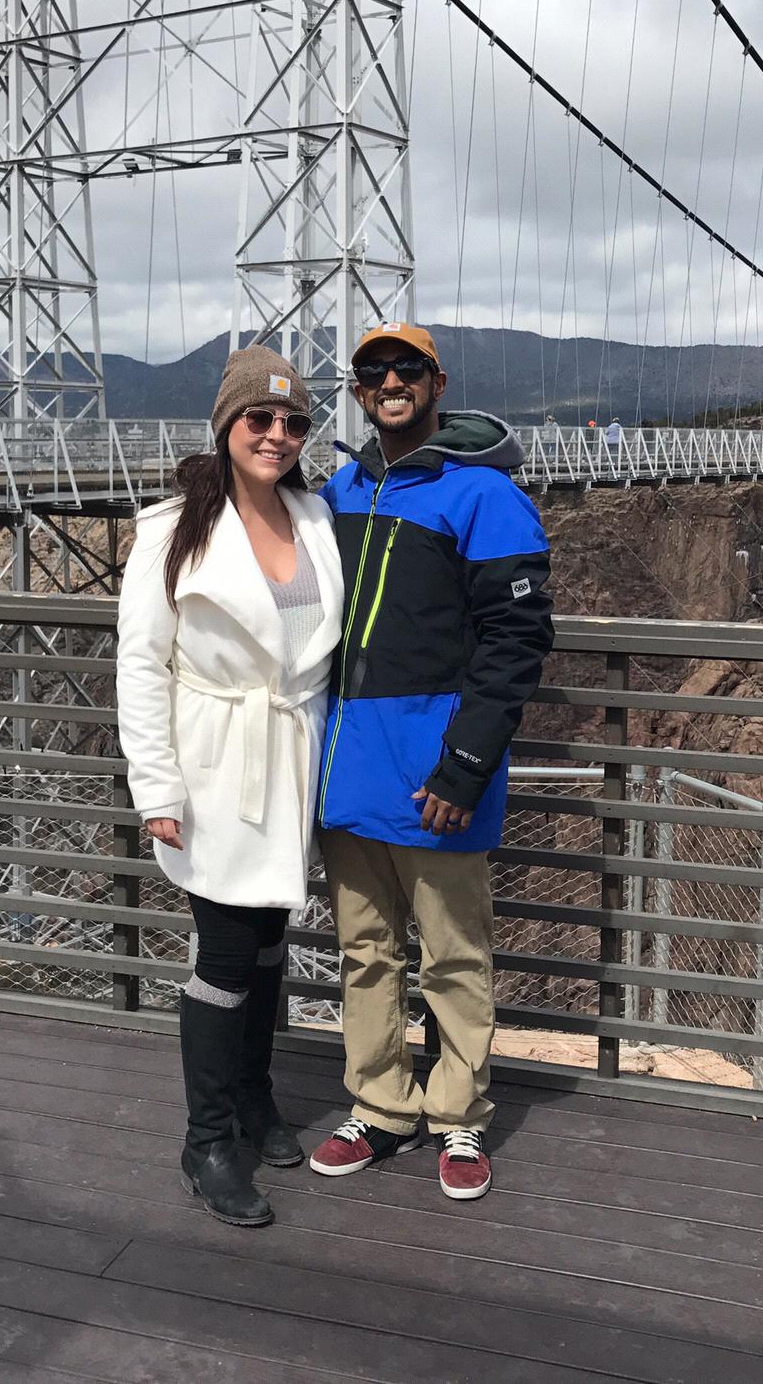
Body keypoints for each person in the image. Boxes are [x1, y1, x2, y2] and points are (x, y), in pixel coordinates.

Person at [306, 321, 554, 1201]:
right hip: (348, 770)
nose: (389, 381)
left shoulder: (483, 495)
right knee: (364, 952)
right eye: (372, 372)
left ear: (436, 384)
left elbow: (516, 641)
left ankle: (458, 1117)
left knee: (452, 956)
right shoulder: (341, 489)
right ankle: (379, 1107)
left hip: (437, 774)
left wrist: (465, 767)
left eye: (406, 368)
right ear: (361, 393)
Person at [116, 345, 344, 1227]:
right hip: (215, 765)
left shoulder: (316, 517)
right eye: (260, 418)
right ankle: (206, 1137)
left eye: (295, 422)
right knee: (222, 953)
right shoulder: (171, 529)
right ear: (226, 424)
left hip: (294, 758)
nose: (278, 435)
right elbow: (141, 665)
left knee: (266, 942)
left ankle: (254, 1099)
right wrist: (157, 789)